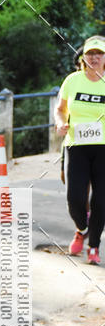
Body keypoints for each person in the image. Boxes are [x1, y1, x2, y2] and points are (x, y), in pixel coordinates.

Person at [55, 35, 105, 265]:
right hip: (76, 145)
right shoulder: (72, 81)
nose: (95, 58)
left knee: (101, 201)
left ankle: (93, 246)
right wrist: (60, 123)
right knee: (74, 198)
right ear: (83, 56)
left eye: (100, 54)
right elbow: (60, 109)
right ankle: (81, 227)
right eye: (91, 53)